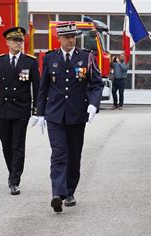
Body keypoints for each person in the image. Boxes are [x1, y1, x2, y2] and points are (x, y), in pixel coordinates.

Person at [33, 22, 103, 213]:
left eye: (73, 37)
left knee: (73, 155)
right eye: (67, 37)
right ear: (59, 39)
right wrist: (40, 113)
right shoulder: (49, 58)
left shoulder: (86, 57)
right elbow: (43, 88)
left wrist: (93, 104)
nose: (71, 40)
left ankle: (69, 191)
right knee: (58, 154)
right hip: (55, 114)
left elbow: (97, 84)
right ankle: (57, 194)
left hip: (77, 114)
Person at [0, 26, 40, 196]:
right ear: (7, 42)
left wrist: (36, 111)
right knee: (6, 144)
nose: (18, 43)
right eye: (15, 40)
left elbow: (37, 88)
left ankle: (14, 180)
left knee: (18, 145)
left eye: (20, 40)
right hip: (5, 109)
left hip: (21, 110)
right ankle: (12, 172)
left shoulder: (30, 62)